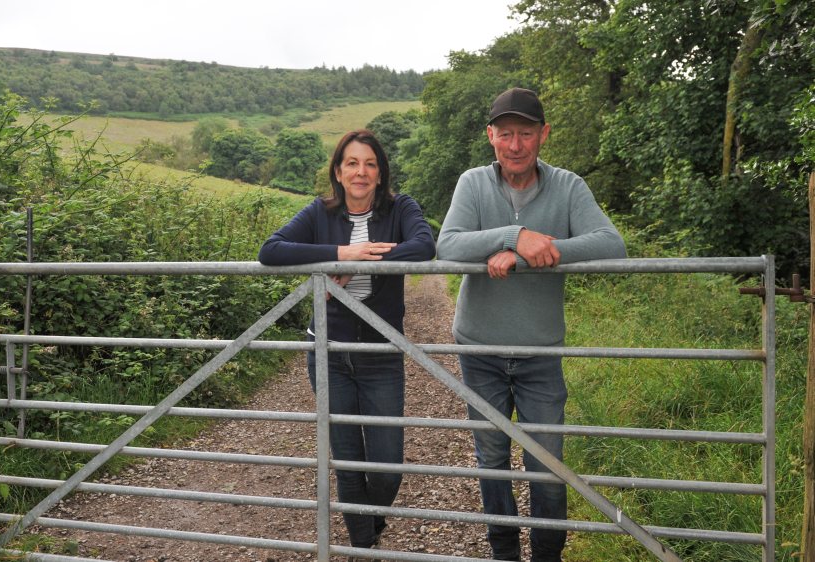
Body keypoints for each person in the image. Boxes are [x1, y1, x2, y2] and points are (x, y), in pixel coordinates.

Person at [436, 88, 627, 561]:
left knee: (546, 463)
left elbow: (611, 244)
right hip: (479, 348)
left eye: (525, 133)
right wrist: (513, 235)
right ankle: (504, 553)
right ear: (490, 137)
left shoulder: (568, 186)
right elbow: (449, 246)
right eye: (506, 134)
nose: (515, 145)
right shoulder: (473, 183)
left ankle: (547, 555)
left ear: (543, 135)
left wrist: (529, 254)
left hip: (541, 351)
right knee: (492, 459)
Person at [258, 129, 436, 558]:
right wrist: (338, 254)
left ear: (380, 173)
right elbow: (271, 250)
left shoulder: (400, 207)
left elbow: (424, 246)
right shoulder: (321, 212)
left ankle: (371, 522)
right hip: (328, 353)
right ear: (338, 170)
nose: (361, 171)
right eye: (352, 163)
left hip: (381, 355)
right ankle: (364, 545)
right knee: (349, 459)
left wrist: (362, 257)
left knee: (388, 467)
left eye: (370, 164)